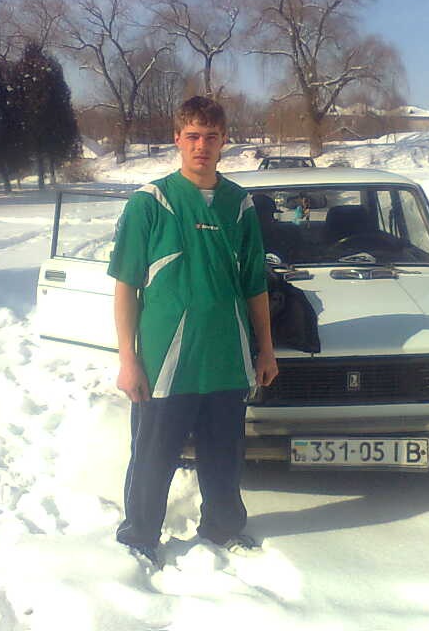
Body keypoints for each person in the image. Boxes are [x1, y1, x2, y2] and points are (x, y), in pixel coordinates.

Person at [107, 95, 278, 568]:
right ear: (178, 139)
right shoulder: (150, 202)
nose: (202, 145)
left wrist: (265, 349)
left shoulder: (239, 204)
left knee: (224, 455)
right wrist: (128, 359)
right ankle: (140, 536)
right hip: (166, 360)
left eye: (211, 137)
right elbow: (125, 287)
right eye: (193, 136)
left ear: (224, 142)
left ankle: (223, 528)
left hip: (226, 356)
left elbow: (255, 284)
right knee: (153, 455)